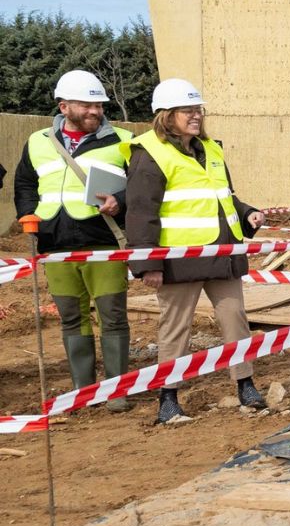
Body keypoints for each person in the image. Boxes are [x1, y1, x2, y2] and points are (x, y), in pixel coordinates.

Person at [125, 78, 268, 424]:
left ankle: (245, 385)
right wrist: (149, 265)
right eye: (187, 110)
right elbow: (141, 211)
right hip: (179, 260)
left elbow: (223, 197)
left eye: (197, 109)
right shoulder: (149, 154)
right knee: (175, 328)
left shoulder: (210, 150)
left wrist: (247, 213)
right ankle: (168, 399)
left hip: (222, 253)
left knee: (235, 319)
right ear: (166, 115)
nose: (196, 116)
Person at [12, 70, 135, 412]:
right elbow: (24, 183)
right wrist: (28, 215)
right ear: (64, 107)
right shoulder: (37, 141)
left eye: (99, 105)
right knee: (71, 318)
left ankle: (116, 391)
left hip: (103, 242)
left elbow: (139, 188)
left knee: (112, 316)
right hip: (54, 242)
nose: (95, 111)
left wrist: (119, 202)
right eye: (87, 105)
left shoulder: (122, 139)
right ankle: (84, 391)